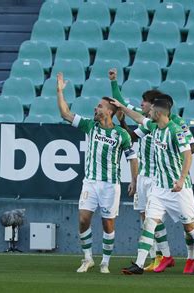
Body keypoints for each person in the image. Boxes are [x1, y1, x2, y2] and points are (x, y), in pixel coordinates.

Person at [112, 98, 194, 275]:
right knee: (149, 223)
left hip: (178, 189)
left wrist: (182, 180)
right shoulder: (153, 127)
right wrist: (122, 107)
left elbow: (188, 154)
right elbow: (138, 118)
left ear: (158, 113)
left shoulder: (175, 130)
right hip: (159, 189)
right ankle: (138, 264)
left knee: (191, 227)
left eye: (151, 111)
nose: (148, 113)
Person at [56, 72, 138, 274]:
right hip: (90, 182)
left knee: (108, 224)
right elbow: (66, 114)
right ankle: (87, 258)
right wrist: (59, 92)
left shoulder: (121, 135)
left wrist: (134, 181)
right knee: (83, 219)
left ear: (109, 112)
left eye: (100, 106)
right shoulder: (89, 126)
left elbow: (132, 158)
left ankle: (105, 262)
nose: (95, 108)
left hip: (111, 185)